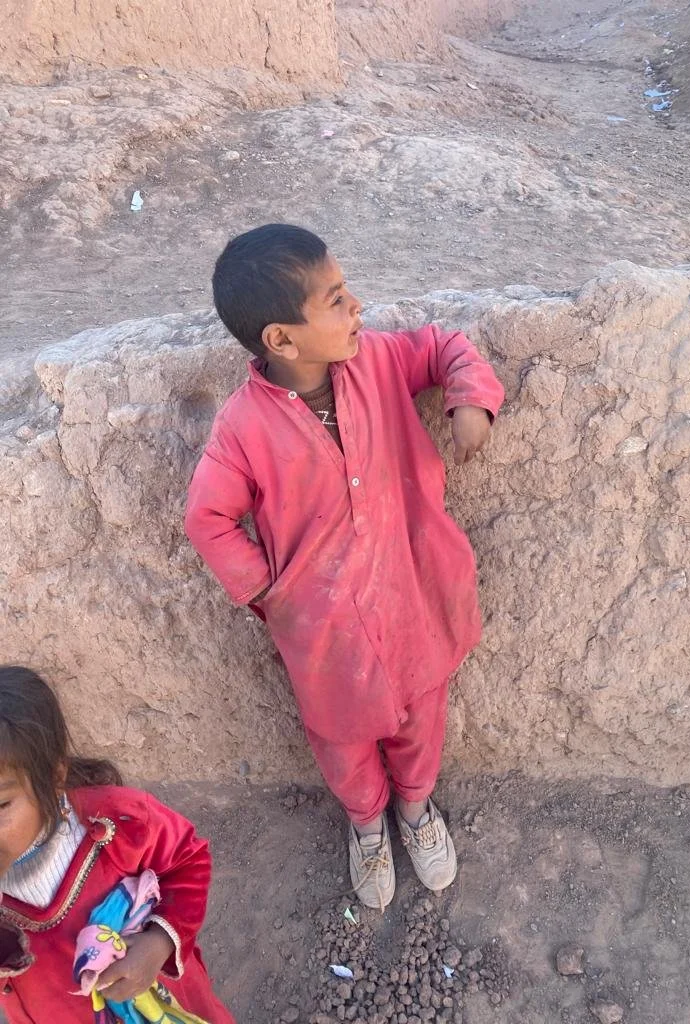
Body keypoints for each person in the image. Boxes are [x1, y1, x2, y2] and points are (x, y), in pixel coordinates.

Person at [185, 224, 504, 910]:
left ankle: (415, 812)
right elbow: (207, 520)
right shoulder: (243, 427)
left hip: (413, 599)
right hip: (328, 637)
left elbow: (446, 346)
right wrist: (273, 592)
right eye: (334, 299)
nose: (357, 305)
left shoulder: (379, 361)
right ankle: (366, 824)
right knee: (343, 741)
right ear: (281, 339)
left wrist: (469, 398)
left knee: (422, 715)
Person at [0, 665, 234, 1024]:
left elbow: (189, 859)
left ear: (54, 778)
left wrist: (158, 944)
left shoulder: (118, 822)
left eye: (1, 806)